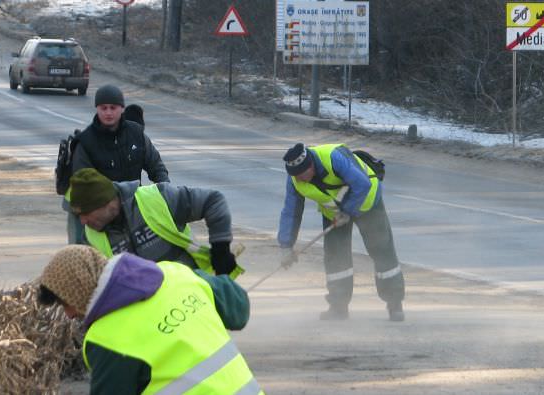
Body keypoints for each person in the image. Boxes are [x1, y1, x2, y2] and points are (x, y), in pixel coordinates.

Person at [37, 246, 262, 394]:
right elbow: (239, 309)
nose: (68, 314)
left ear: (79, 289)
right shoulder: (176, 274)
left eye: (65, 302)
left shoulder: (107, 338)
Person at [277, 143, 406, 321]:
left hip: (367, 202)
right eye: (295, 176)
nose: (299, 179)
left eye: (301, 175)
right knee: (335, 257)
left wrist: (348, 211)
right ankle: (338, 307)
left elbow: (362, 183)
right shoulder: (294, 178)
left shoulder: (333, 157)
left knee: (381, 249)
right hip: (334, 213)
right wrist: (286, 246)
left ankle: (395, 304)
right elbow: (291, 211)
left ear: (311, 166)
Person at [68, 168, 243, 278]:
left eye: (86, 213)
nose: (83, 221)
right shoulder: (90, 236)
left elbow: (213, 201)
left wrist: (221, 249)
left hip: (190, 294)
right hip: (146, 314)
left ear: (107, 203)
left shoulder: (158, 199)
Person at [63, 85, 168, 244]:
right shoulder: (85, 142)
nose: (108, 113)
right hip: (96, 213)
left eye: (113, 107)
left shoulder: (136, 134)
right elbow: (83, 185)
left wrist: (166, 195)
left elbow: (157, 167)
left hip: (131, 209)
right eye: (103, 108)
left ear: (122, 108)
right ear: (97, 108)